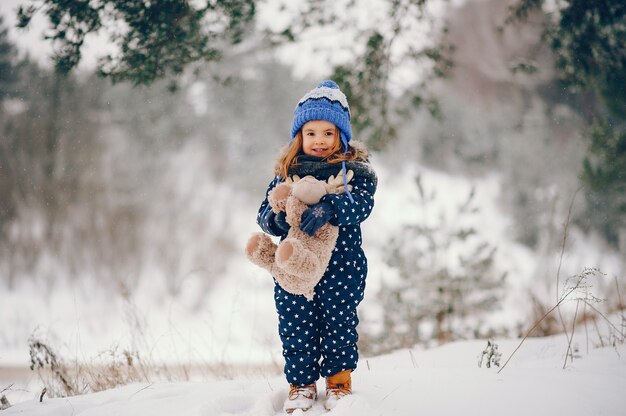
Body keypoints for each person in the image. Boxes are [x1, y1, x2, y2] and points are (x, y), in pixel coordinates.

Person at [254, 80, 377, 413]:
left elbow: (362, 206)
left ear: (341, 136)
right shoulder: (286, 173)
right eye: (311, 133)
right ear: (299, 137)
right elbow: (264, 211)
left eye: (328, 133)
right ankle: (301, 384)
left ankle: (338, 383)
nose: (319, 141)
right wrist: (275, 221)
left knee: (339, 324)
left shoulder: (352, 173)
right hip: (294, 268)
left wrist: (331, 209)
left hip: (341, 265)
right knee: (296, 326)